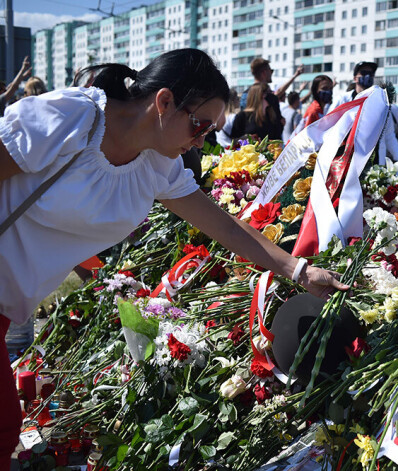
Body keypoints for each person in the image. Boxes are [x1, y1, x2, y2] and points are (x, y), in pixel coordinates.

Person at [0, 49, 347, 469]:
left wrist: (297, 268)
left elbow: (225, 226)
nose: (202, 140)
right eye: (200, 125)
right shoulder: (72, 118)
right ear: (164, 102)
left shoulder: (156, 164)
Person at [329, 61, 398, 166]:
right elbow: (329, 126)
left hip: (375, 162)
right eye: (364, 73)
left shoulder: (381, 103)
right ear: (355, 78)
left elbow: (389, 134)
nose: (368, 76)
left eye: (371, 74)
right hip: (346, 161)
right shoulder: (343, 100)